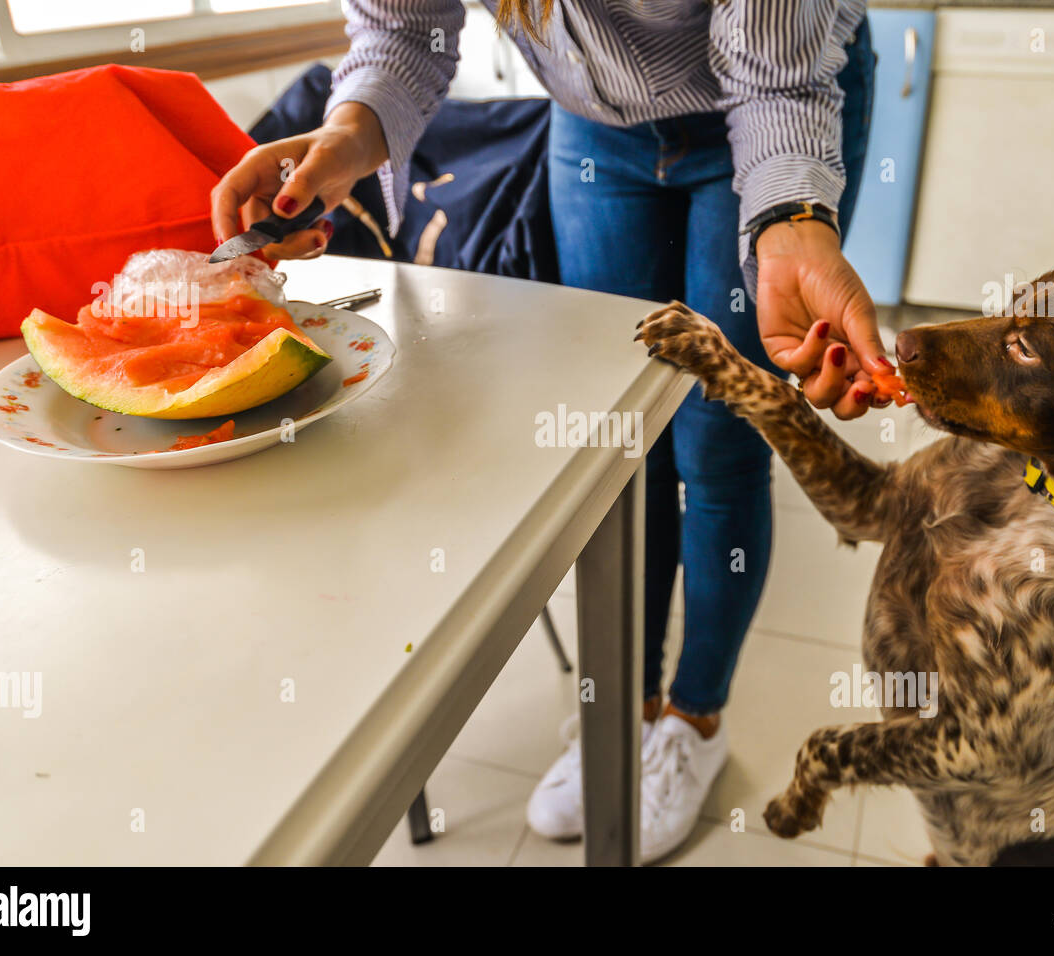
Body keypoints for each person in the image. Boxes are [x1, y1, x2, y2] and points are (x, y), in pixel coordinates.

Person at [212, 0, 885, 863]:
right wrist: (349, 132)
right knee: (618, 439)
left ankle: (693, 722)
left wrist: (790, 218)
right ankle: (623, 708)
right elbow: (403, 29)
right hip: (595, 126)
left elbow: (775, 76)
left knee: (717, 443)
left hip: (760, 111)